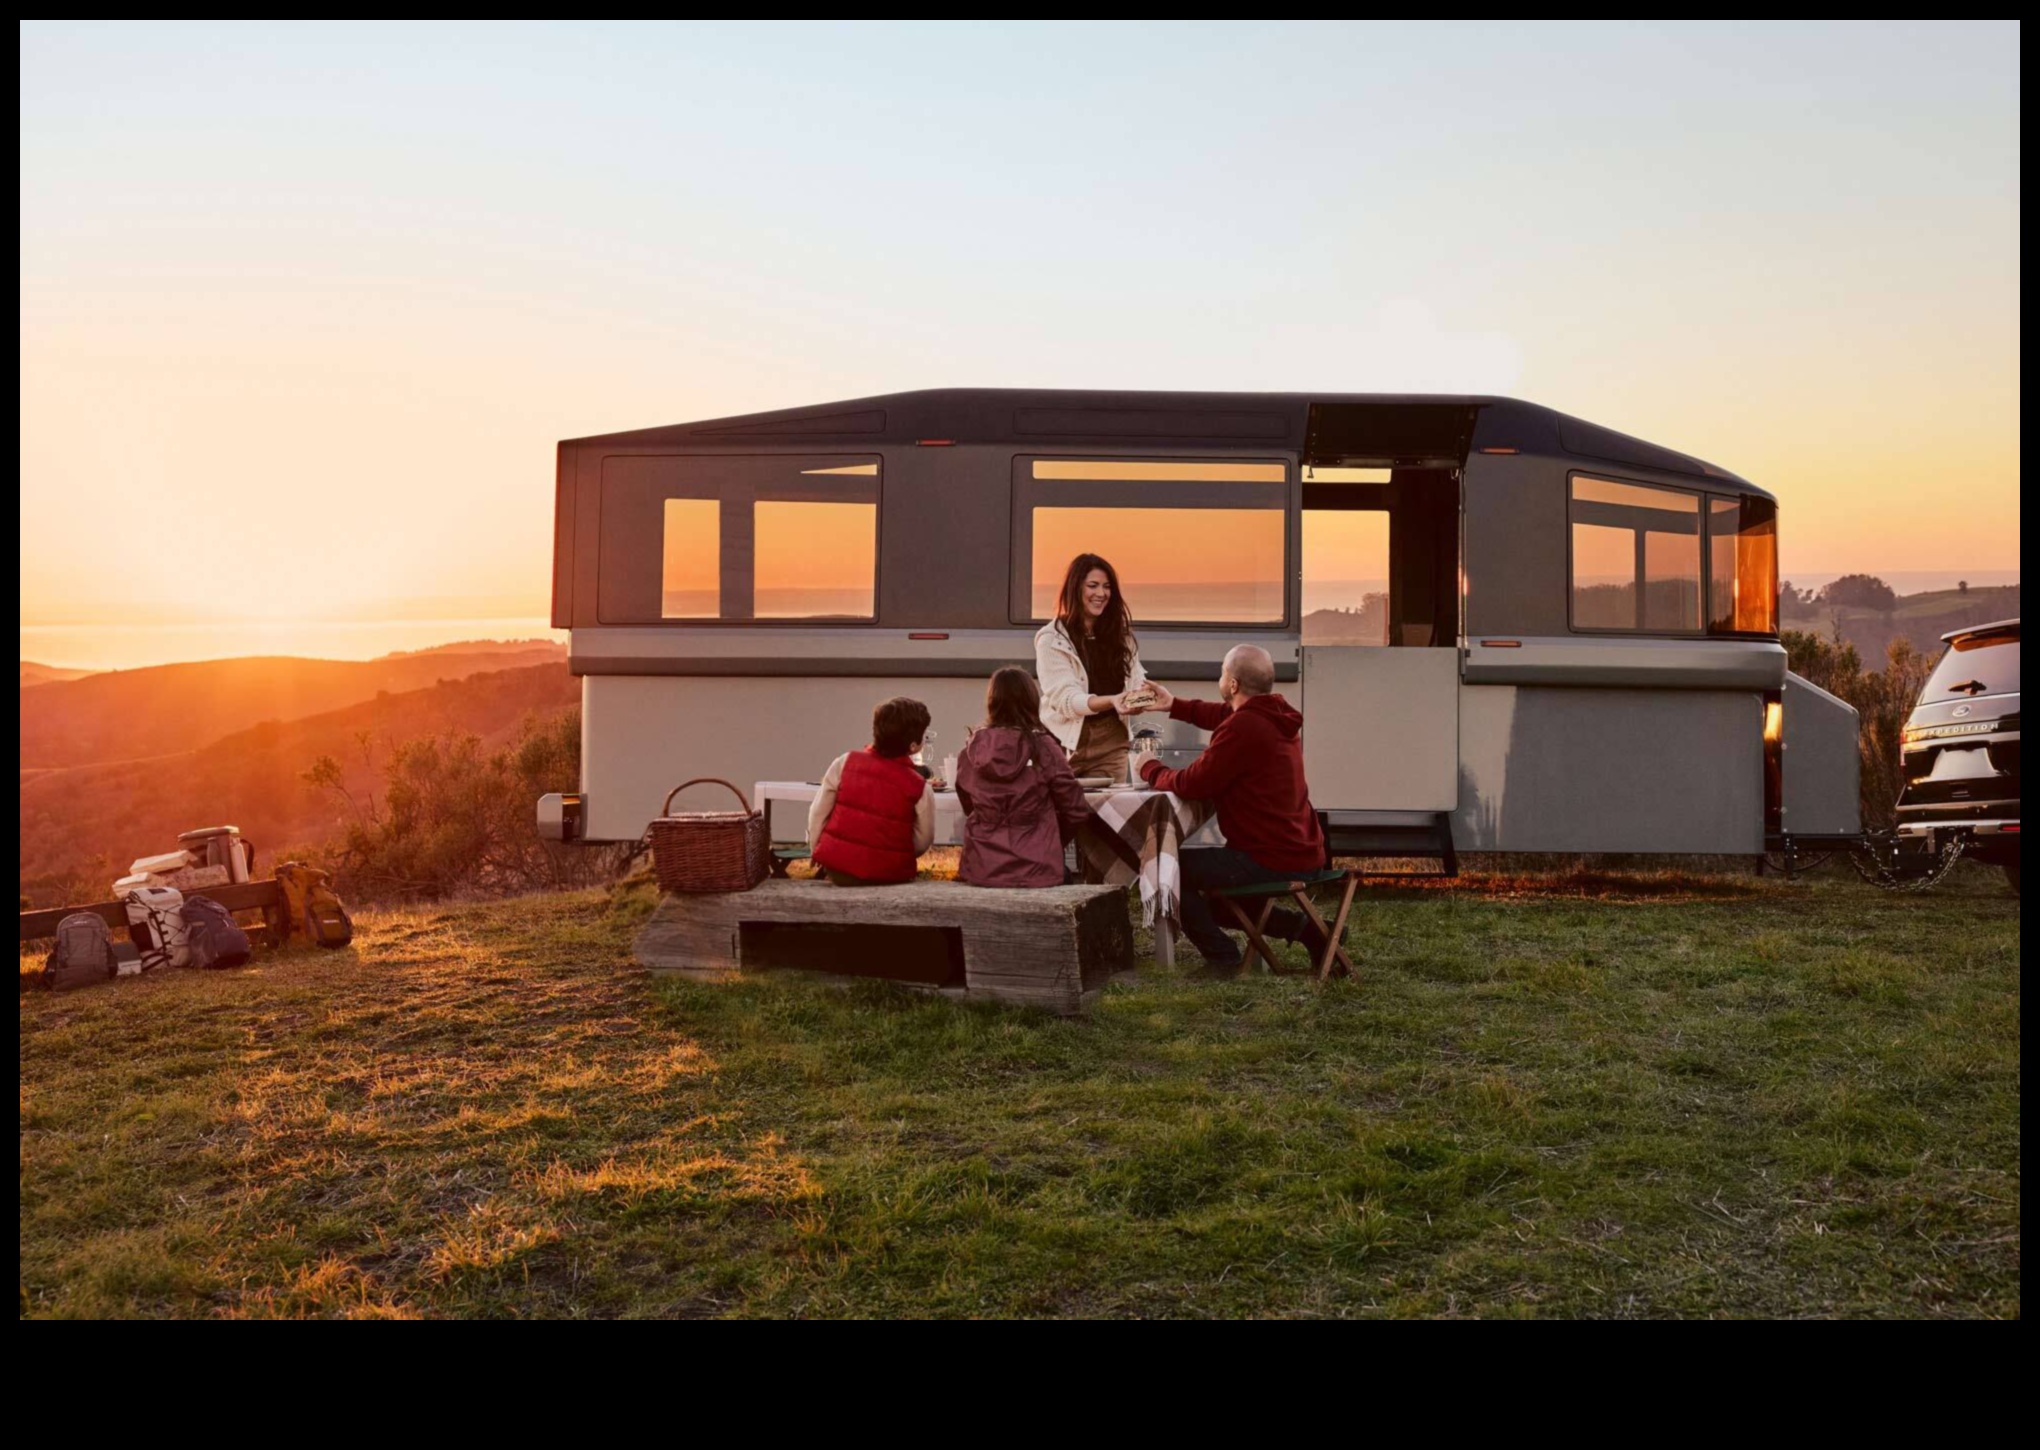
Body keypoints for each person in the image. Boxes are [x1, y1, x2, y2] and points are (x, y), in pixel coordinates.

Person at [1135, 645, 1329, 975]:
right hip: (1300, 849)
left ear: (1234, 684)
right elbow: (1225, 716)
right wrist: (1174, 704)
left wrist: (1149, 767)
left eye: (1224, 673)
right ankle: (1311, 931)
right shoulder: (1274, 714)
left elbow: (1193, 784)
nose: (1220, 678)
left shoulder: (1245, 728)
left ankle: (1221, 956)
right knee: (1218, 901)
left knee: (1166, 866)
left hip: (1267, 857)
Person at [955, 667, 1092, 888]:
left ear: (991, 702)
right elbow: (1075, 810)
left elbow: (968, 802)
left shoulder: (972, 749)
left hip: (981, 867)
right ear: (1031, 700)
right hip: (1037, 866)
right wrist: (1052, 840)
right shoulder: (1044, 747)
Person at [1034, 553, 1162, 782]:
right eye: (1092, 586)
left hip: (1111, 745)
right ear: (1075, 589)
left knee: (1109, 816)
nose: (1101, 594)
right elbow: (1066, 700)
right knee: (1059, 814)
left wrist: (1142, 698)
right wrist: (1113, 700)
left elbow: (1134, 685)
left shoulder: (1122, 638)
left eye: (1107, 587)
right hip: (1063, 744)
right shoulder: (1051, 639)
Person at [808, 696, 937, 886]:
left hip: (840, 870)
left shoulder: (844, 762)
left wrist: (818, 850)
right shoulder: (920, 787)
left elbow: (817, 815)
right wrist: (896, 853)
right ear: (913, 745)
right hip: (891, 875)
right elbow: (923, 841)